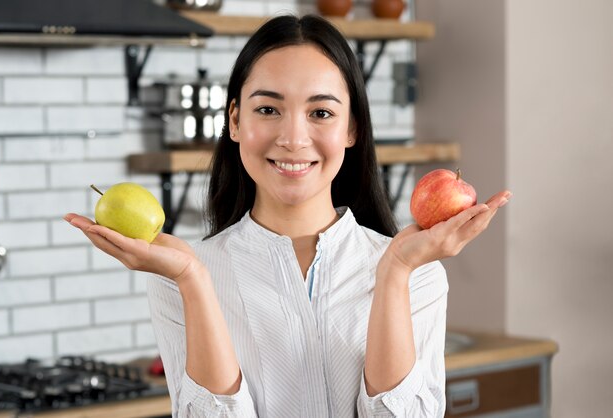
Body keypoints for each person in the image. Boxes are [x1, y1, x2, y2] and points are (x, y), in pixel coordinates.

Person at [65, 14, 511, 418]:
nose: (294, 138)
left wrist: (395, 270)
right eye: (267, 109)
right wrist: (191, 279)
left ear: (352, 127)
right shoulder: (178, 276)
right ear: (235, 121)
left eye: (320, 112)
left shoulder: (416, 272)